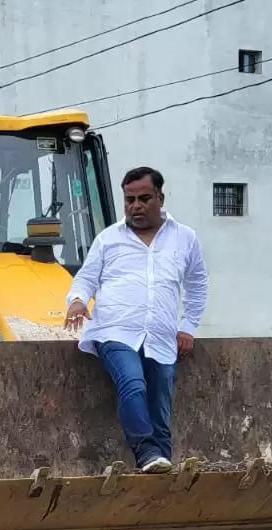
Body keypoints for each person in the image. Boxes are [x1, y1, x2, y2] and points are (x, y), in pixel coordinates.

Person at [65, 166, 207, 473]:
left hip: (162, 337)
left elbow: (197, 286)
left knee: (160, 405)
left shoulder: (185, 239)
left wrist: (188, 327)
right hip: (113, 331)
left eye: (144, 198)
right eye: (129, 200)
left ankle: (161, 470)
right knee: (132, 383)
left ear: (160, 197)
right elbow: (86, 278)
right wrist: (77, 301)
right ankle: (145, 452)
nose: (136, 206)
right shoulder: (108, 239)